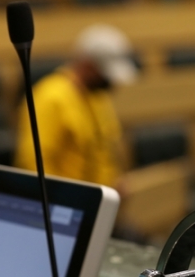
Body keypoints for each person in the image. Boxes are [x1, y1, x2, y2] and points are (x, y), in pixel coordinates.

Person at [14, 24, 138, 189]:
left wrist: (117, 181)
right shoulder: (49, 98)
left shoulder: (97, 96)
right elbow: (34, 163)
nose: (111, 82)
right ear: (87, 65)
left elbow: (107, 147)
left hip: (102, 196)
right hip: (67, 198)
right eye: (104, 74)